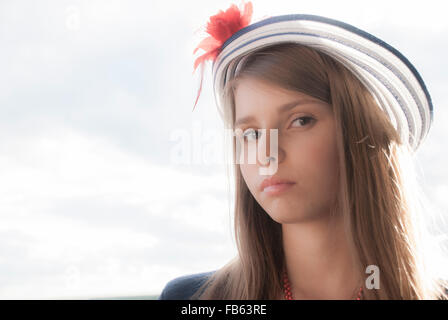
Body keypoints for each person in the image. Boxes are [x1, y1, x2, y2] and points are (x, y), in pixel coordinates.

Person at [158, 1, 448, 300]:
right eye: (252, 134)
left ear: (359, 133)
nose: (267, 154)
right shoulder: (190, 299)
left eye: (300, 120)